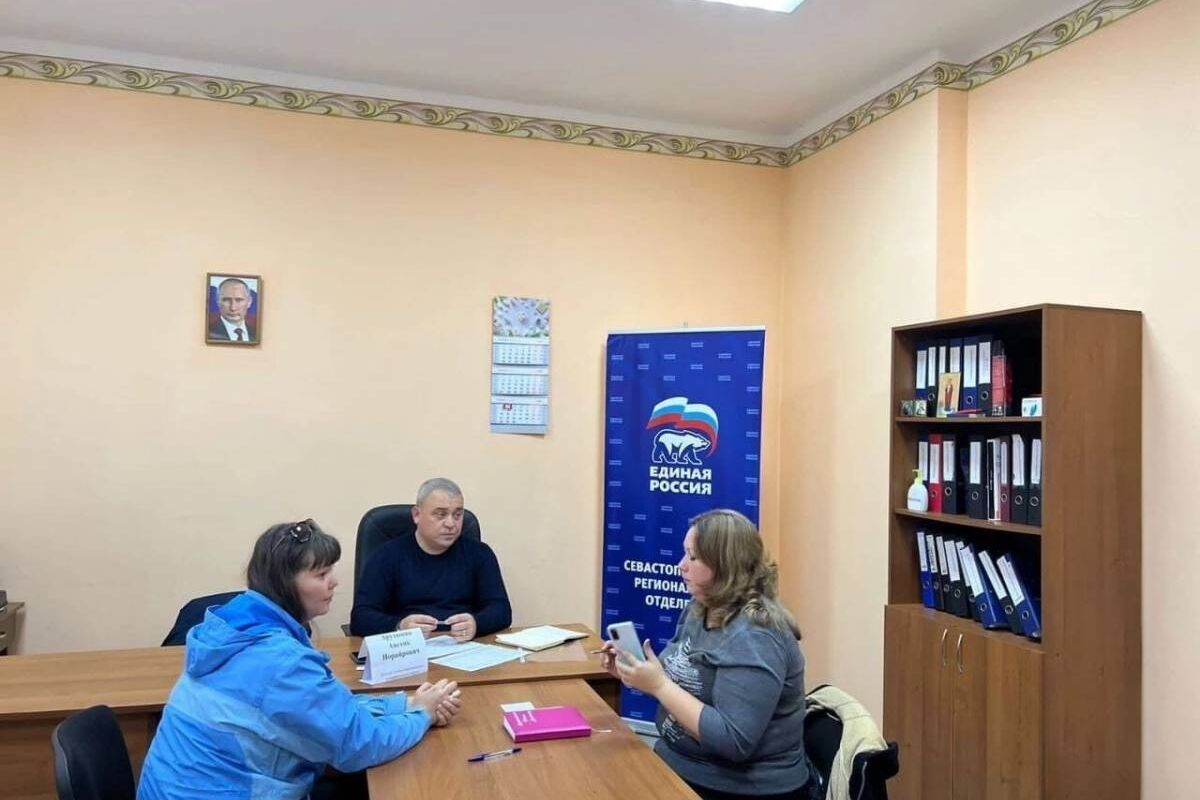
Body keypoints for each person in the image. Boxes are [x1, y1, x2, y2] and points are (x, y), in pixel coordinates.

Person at [138, 519, 461, 800]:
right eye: (321, 574)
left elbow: (327, 708)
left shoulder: (232, 626)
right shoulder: (281, 662)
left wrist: (402, 703)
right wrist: (421, 715)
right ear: (285, 584)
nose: (333, 582)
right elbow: (358, 744)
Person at [600, 509, 810, 800]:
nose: (681, 565)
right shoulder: (700, 608)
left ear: (725, 565)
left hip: (738, 789)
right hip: (677, 763)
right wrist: (636, 674)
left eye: (693, 557)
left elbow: (733, 741)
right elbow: (681, 681)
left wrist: (658, 685)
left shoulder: (755, 636)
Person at [350, 478, 511, 640]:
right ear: (417, 515)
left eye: (457, 515)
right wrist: (399, 626)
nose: (451, 523)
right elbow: (361, 617)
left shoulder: (480, 554)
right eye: (441, 514)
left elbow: (501, 610)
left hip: (464, 646)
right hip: (408, 647)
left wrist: (477, 623)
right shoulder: (386, 556)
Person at [207, 277, 257, 342]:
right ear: (218, 301)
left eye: (239, 300)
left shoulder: (255, 334)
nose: (233, 308)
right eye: (226, 300)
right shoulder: (209, 332)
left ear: (249, 302)